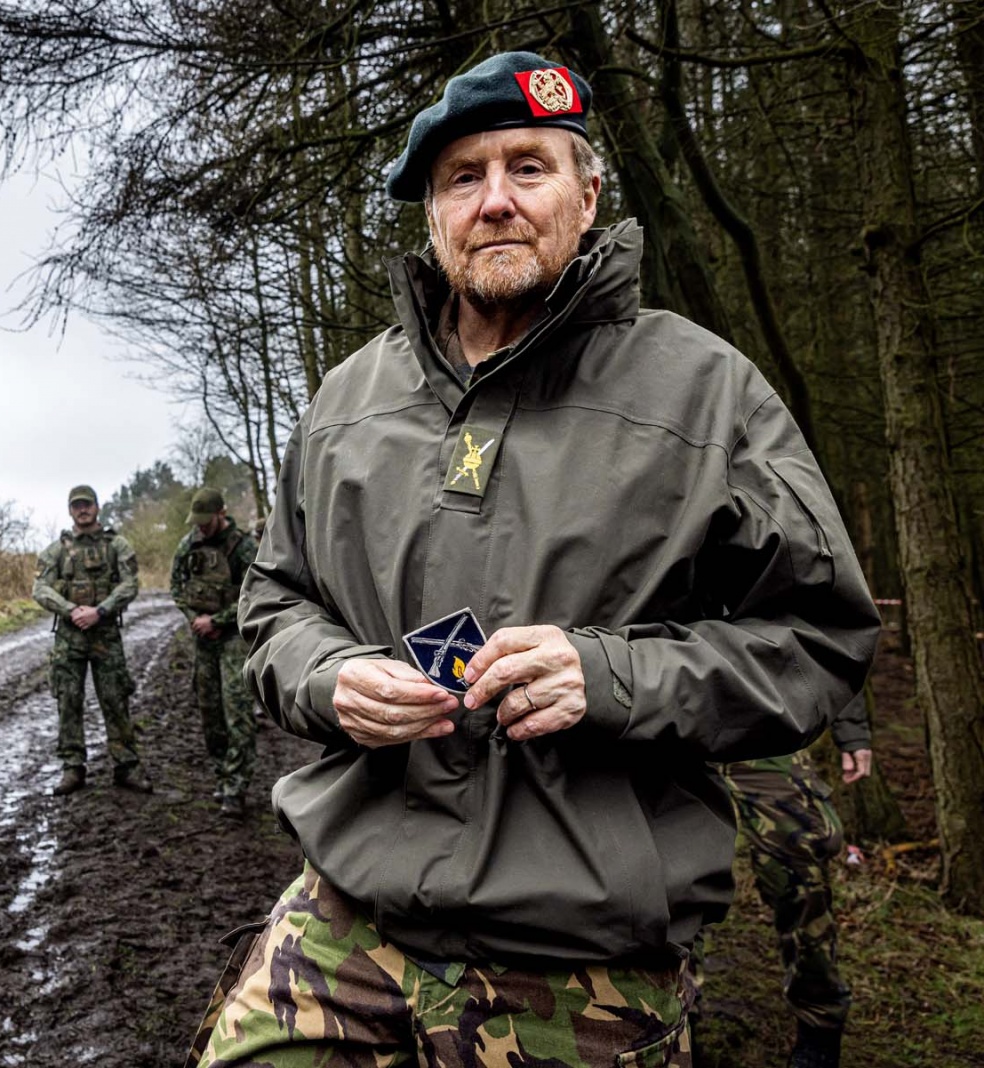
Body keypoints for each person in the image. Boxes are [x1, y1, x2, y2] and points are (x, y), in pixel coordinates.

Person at [190, 51, 879, 1068]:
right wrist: (329, 679)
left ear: (588, 192)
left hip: (579, 956)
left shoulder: (704, 393)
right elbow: (275, 603)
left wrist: (610, 676)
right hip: (348, 911)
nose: (495, 201)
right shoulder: (346, 401)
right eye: (463, 177)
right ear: (431, 210)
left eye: (528, 167)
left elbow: (816, 640)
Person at [696, 693, 875, 1067]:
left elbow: (831, 638)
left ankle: (820, 1020)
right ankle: (680, 1014)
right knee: (670, 873)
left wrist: (852, 730)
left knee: (797, 871)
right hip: (660, 722)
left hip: (759, 721)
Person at [31, 484, 152, 796]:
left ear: (97, 507)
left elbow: (130, 585)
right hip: (69, 638)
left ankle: (126, 765)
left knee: (115, 700)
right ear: (70, 511)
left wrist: (101, 610)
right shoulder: (57, 550)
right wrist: (70, 610)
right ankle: (72, 767)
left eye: (87, 505)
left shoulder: (117, 546)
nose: (82, 510)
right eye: (76, 506)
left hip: (106, 634)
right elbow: (40, 589)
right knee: (68, 701)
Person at [170, 487, 260, 818]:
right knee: (210, 710)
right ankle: (222, 774)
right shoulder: (189, 544)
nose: (202, 528)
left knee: (236, 707)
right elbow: (176, 587)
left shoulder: (243, 546)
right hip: (202, 639)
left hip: (233, 638)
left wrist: (218, 620)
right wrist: (195, 619)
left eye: (207, 522)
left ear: (221, 514)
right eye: (198, 522)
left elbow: (255, 593)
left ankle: (237, 785)